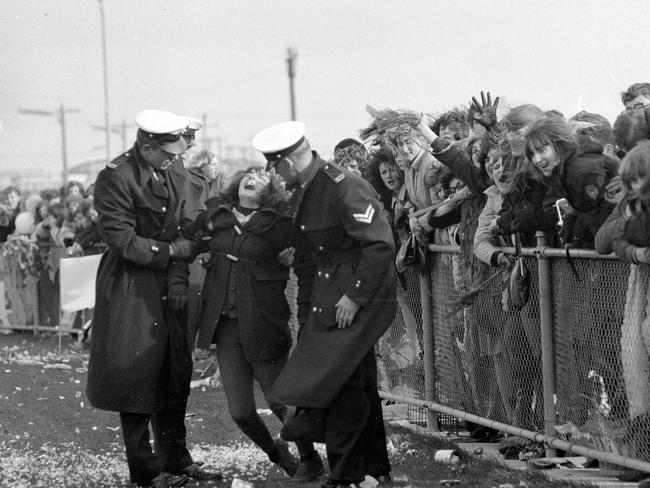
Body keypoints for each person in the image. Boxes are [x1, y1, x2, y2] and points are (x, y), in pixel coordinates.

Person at [253, 121, 396, 488]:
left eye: (275, 166)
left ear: (286, 162)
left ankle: (346, 475)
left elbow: (379, 245)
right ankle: (374, 469)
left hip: (356, 298)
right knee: (358, 384)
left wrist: (355, 296)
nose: (275, 175)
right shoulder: (310, 188)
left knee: (342, 388)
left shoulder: (343, 185)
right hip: (331, 296)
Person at [85, 109, 221, 488]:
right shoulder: (115, 177)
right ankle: (144, 472)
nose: (175, 156)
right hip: (132, 286)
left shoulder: (174, 170)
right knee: (136, 377)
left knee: (176, 372)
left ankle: (176, 459)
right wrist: (174, 251)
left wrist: (195, 241)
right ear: (146, 145)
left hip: (170, 284)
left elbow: (189, 221)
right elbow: (123, 241)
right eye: (167, 150)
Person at [183, 167, 324, 482]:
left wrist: (288, 259)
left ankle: (310, 459)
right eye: (248, 175)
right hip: (226, 327)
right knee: (241, 412)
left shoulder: (280, 225)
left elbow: (306, 257)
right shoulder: (217, 218)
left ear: (270, 191)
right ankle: (279, 456)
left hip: (264, 324)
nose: (252, 178)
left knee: (279, 401)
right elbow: (190, 237)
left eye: (262, 178)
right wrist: (204, 252)